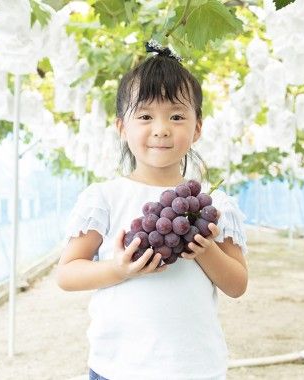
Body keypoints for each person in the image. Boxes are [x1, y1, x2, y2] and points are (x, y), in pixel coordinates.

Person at [55, 39, 248, 380]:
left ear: (197, 128)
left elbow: (237, 285)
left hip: (195, 369)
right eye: (145, 116)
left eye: (176, 116)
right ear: (121, 127)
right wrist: (119, 270)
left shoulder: (213, 206)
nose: (161, 128)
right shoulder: (103, 197)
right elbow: (67, 274)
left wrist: (204, 250)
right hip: (117, 368)